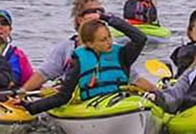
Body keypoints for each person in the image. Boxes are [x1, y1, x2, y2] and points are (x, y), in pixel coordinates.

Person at [19, 13, 147, 114]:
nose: (109, 42)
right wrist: (29, 107)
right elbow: (63, 97)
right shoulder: (79, 61)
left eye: (109, 37)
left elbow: (140, 38)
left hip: (121, 102)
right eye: (103, 40)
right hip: (91, 106)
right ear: (90, 44)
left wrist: (106, 18)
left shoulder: (122, 55)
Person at [19, 0, 106, 93]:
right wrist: (22, 92)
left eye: (101, 11)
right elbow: (44, 74)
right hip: (71, 96)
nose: (98, 15)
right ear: (80, 19)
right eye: (92, 11)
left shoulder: (112, 46)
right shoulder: (66, 48)